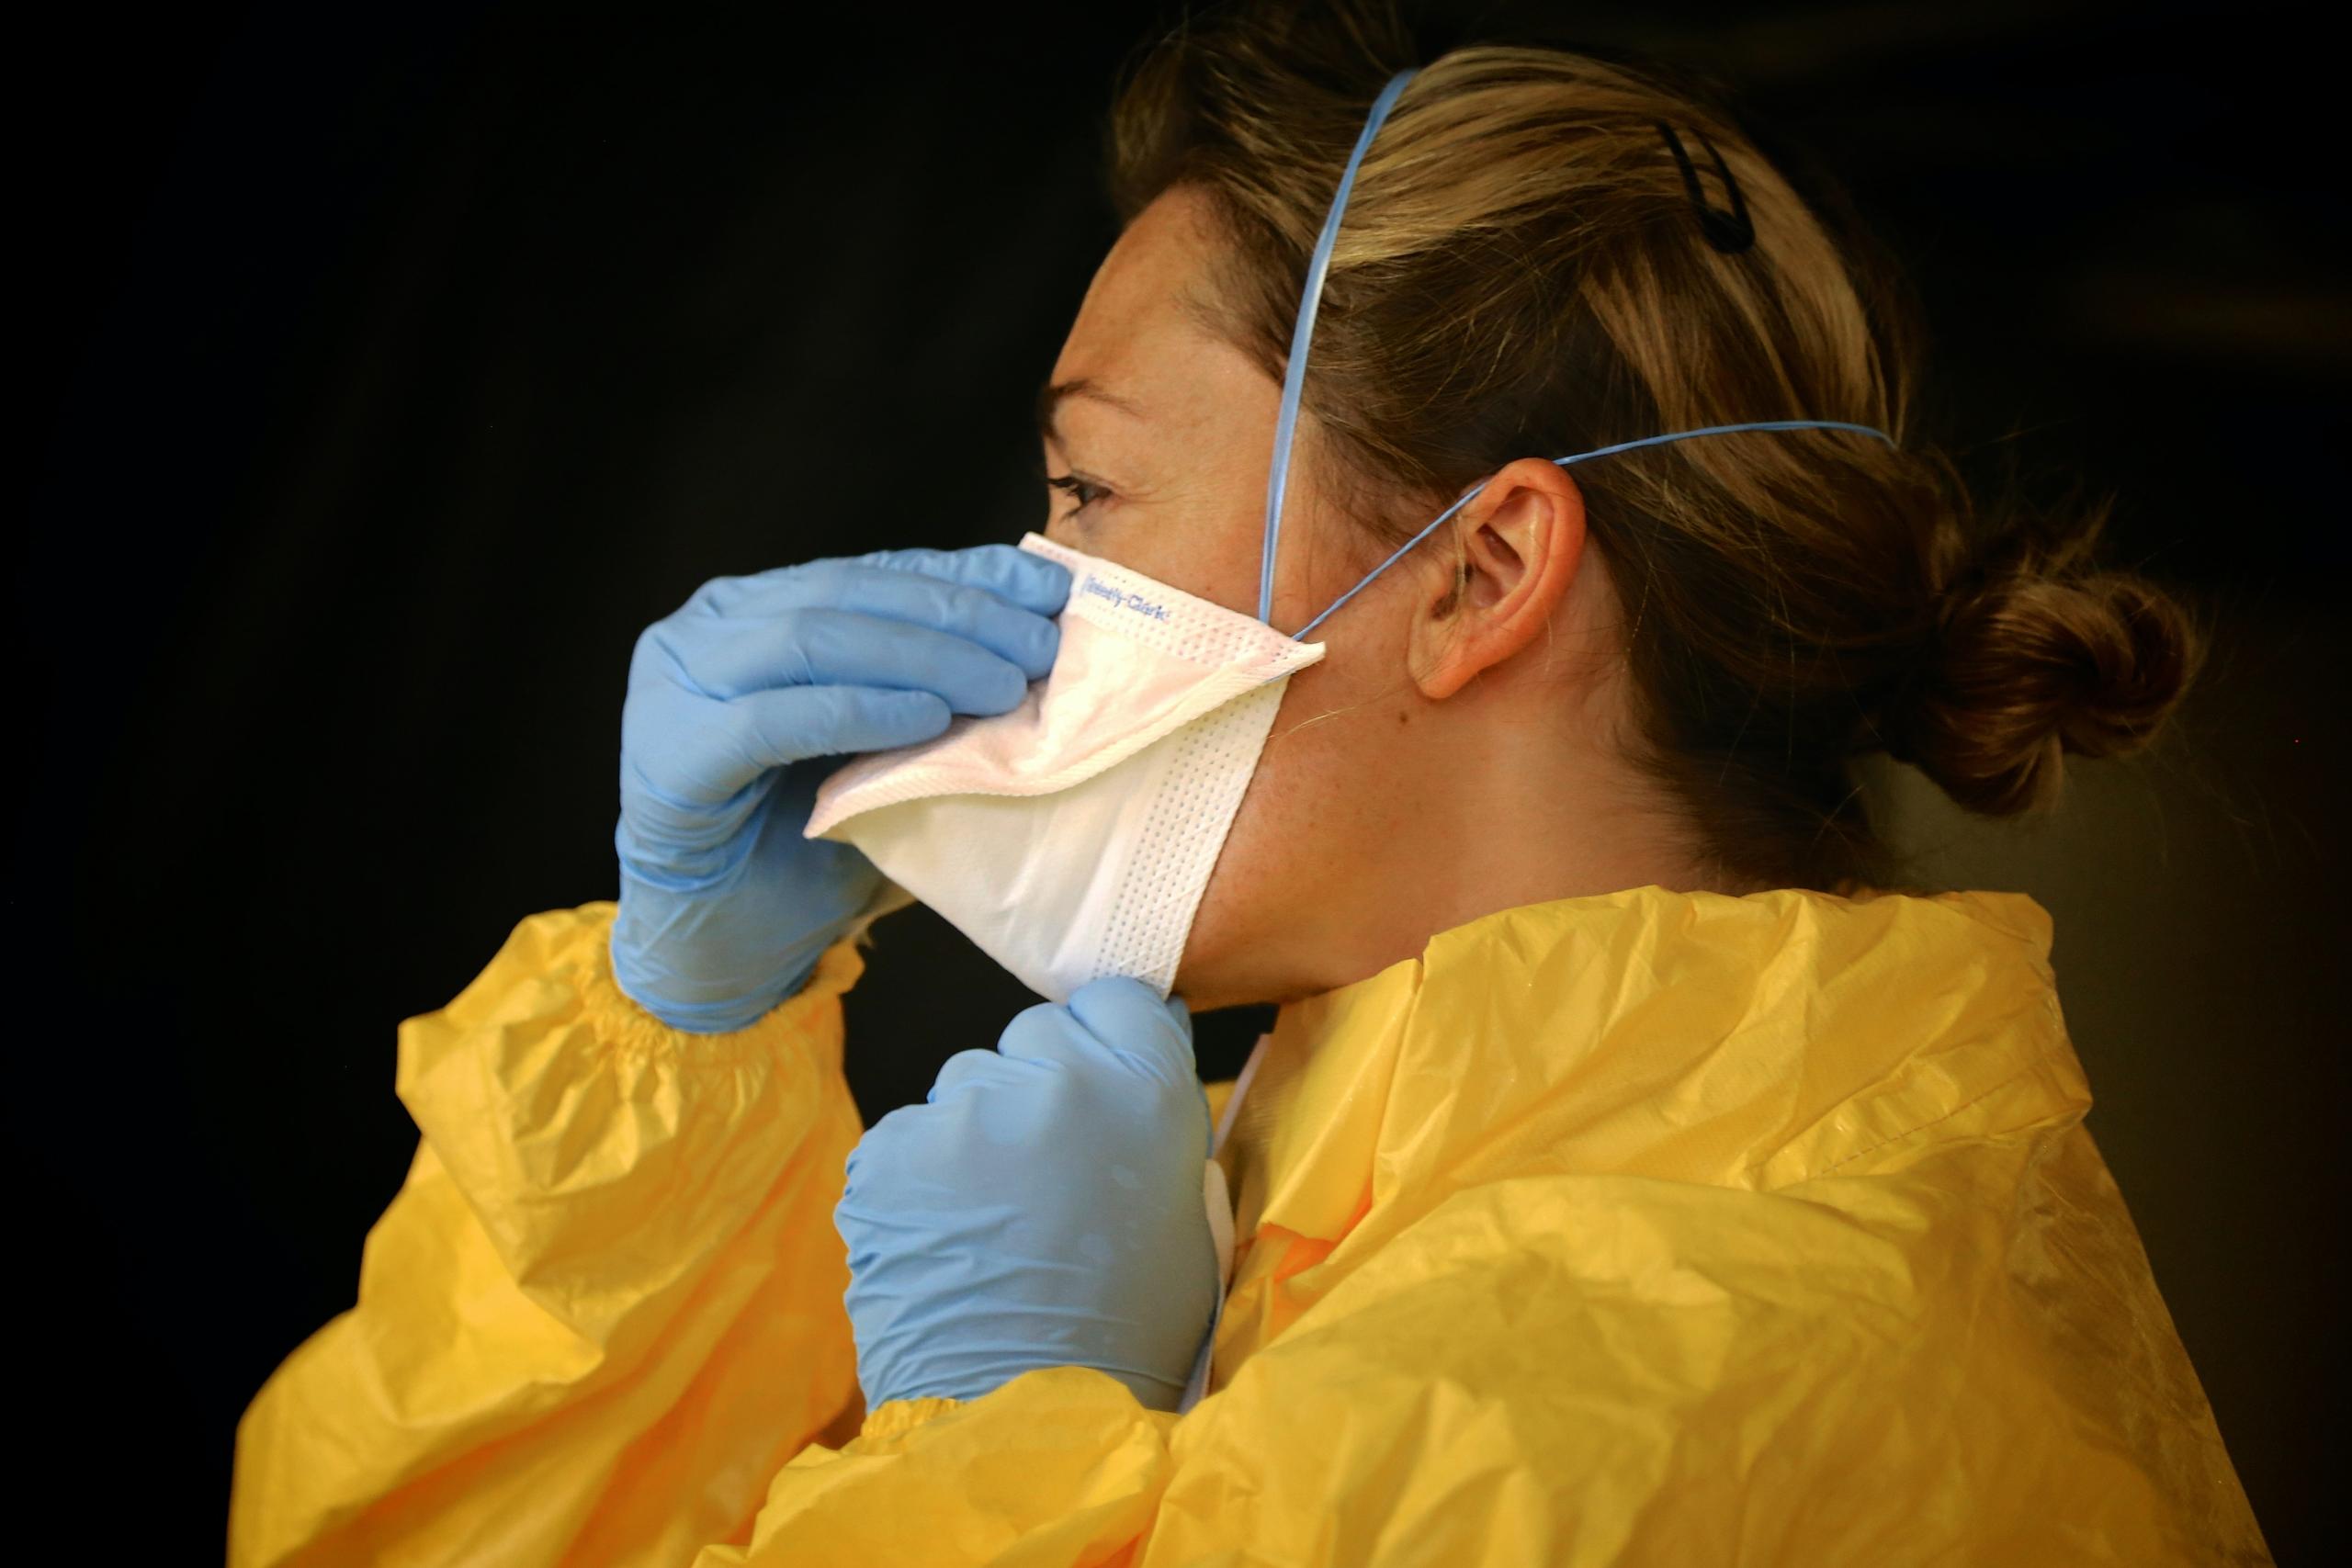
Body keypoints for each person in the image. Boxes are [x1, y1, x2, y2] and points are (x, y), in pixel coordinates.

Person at [229, 4, 2269, 1563]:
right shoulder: (1275, 1196)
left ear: (1474, 575)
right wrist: (668, 1063)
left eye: (1087, 489)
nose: (1027, 586)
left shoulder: (1704, 1377)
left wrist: (1000, 1440)